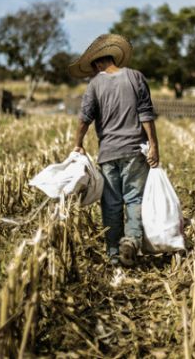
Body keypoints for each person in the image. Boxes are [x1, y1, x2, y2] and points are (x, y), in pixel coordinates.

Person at [68, 34, 159, 267]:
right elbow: (146, 114)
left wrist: (77, 144)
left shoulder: (95, 85)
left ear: (99, 63)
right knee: (135, 199)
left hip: (108, 153)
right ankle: (131, 241)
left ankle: (113, 254)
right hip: (135, 151)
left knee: (111, 204)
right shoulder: (135, 77)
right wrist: (154, 146)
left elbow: (84, 119)